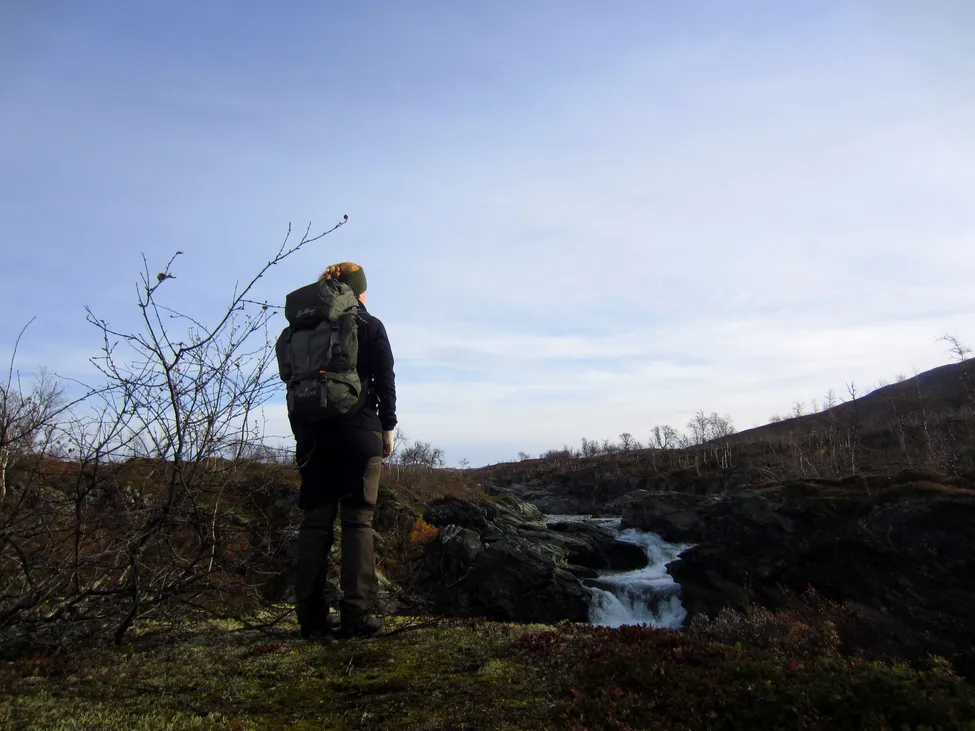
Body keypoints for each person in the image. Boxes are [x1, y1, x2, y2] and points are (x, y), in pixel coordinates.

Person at [290, 261, 396, 639]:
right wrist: (388, 428)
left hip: (312, 435)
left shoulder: (301, 328)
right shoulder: (369, 325)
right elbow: (385, 379)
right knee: (357, 522)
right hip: (358, 432)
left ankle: (311, 619)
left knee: (315, 523)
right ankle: (357, 615)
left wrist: (304, 433)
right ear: (359, 291)